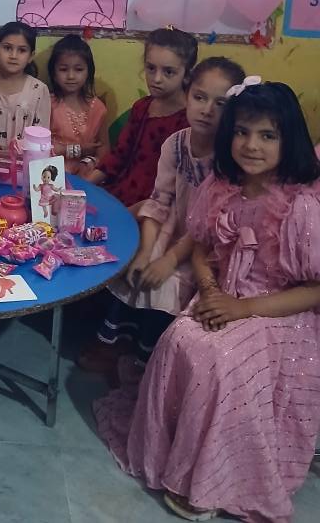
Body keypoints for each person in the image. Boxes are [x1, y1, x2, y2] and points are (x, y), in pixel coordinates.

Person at [95, 80, 320, 523]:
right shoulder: (223, 185)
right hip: (222, 292)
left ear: (288, 139)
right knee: (180, 337)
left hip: (281, 311)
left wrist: (242, 309)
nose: (251, 145)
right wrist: (210, 289)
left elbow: (314, 288)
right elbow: (202, 246)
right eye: (242, 132)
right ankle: (169, 455)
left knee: (221, 358)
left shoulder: (304, 206)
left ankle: (214, 480)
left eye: (267, 135)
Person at [85, 57, 245, 373]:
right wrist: (146, 252)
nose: (207, 110)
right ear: (188, 95)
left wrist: (168, 260)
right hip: (169, 223)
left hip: (205, 244)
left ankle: (148, 358)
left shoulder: (228, 158)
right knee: (134, 261)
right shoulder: (175, 143)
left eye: (221, 104)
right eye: (199, 97)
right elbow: (159, 201)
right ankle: (115, 343)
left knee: (166, 281)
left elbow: (209, 224)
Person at [82, 27, 197, 208]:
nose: (156, 79)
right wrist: (83, 187)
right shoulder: (142, 107)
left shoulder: (189, 122)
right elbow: (118, 155)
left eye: (168, 72)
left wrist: (128, 215)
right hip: (119, 193)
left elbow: (177, 190)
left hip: (154, 208)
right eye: (151, 68)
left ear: (187, 74)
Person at [0, 21, 50, 152]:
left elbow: (41, 132)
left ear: (31, 56)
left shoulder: (39, 90)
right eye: (7, 48)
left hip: (25, 158)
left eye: (22, 50)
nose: (13, 56)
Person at [47, 34, 109, 175]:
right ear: (54, 73)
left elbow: (103, 149)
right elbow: (39, 147)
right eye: (63, 69)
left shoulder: (98, 108)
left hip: (86, 173)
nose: (71, 76)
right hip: (52, 173)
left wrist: (89, 162)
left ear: (88, 71)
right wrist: (76, 150)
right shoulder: (48, 104)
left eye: (78, 69)